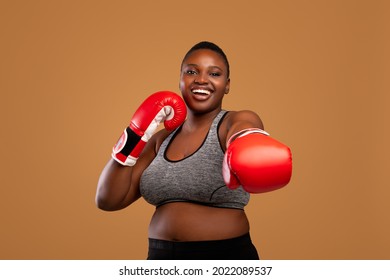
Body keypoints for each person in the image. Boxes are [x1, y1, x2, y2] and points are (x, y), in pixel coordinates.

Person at [96, 41, 292, 260]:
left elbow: (245, 127)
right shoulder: (161, 139)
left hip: (225, 259)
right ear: (180, 79)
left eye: (214, 74)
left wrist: (247, 140)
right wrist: (135, 133)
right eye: (191, 71)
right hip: (160, 259)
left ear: (227, 85)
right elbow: (108, 200)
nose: (201, 80)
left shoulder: (231, 123)